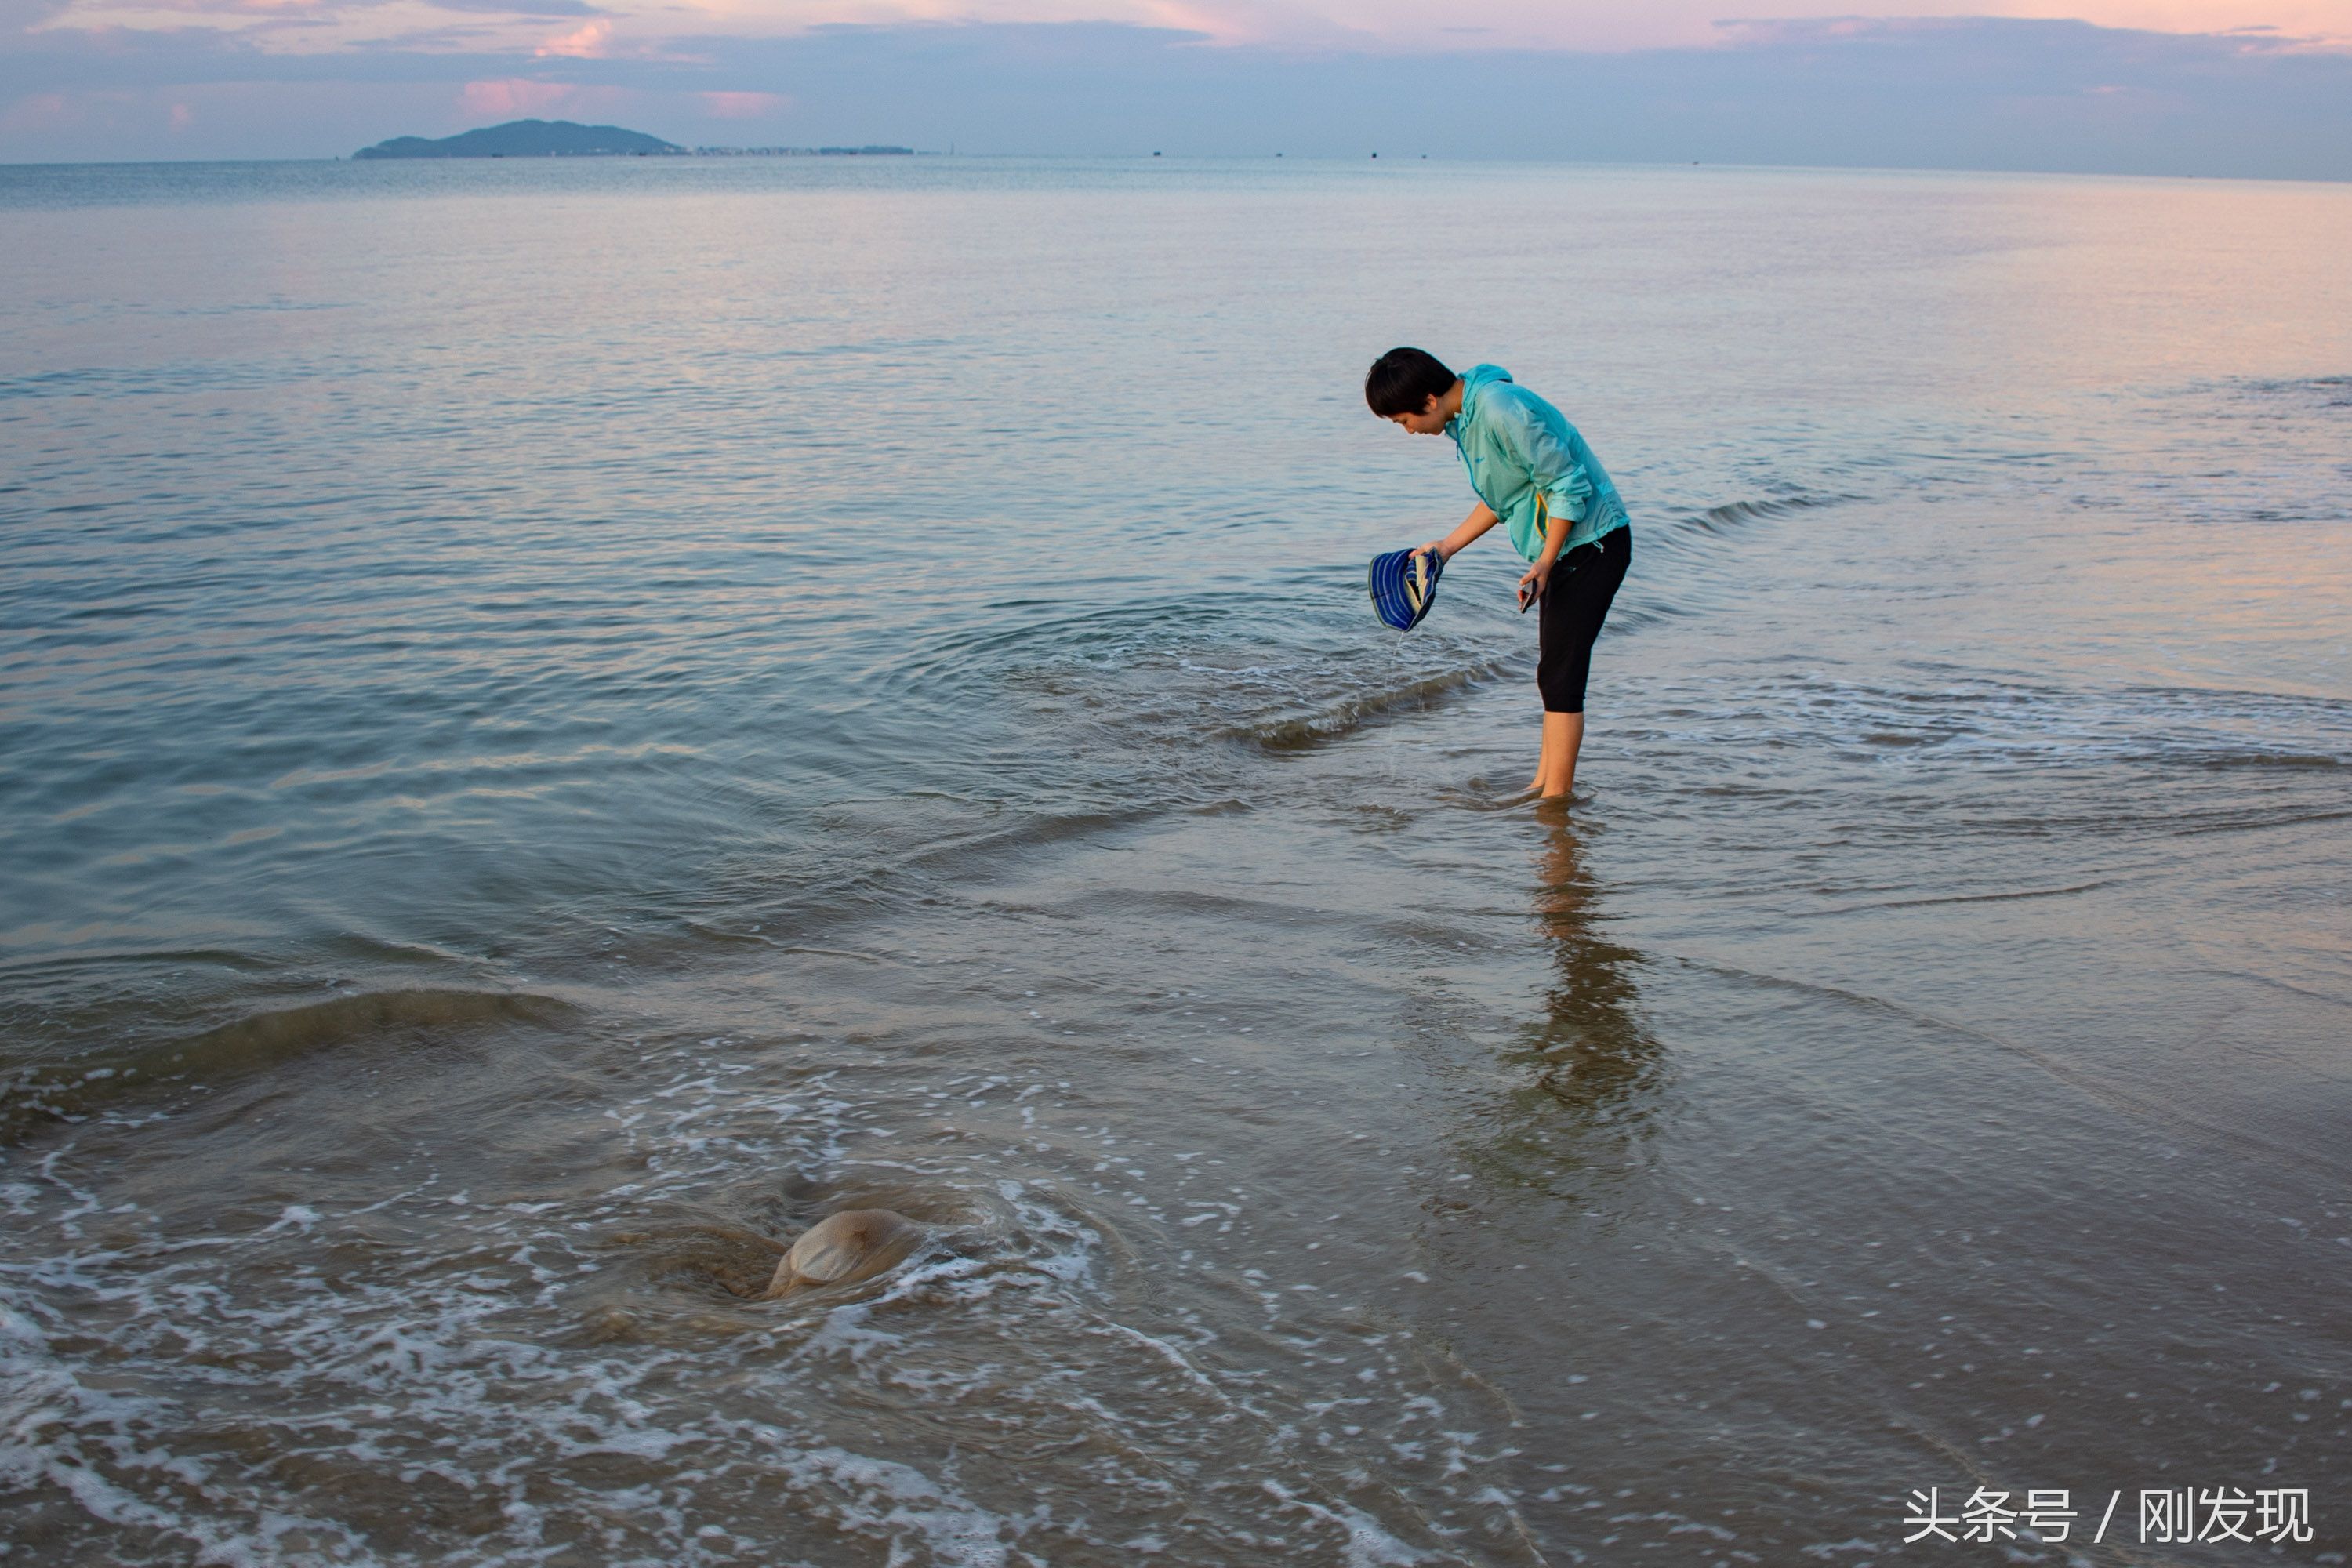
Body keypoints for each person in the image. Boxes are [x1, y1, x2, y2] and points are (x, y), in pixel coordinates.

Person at [1366, 347, 1632, 799]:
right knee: (1553, 673)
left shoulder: (1499, 409)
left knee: (1562, 675)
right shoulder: (1466, 420)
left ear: (1428, 400)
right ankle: (1543, 784)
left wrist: (1545, 561)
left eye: (1403, 421)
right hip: (1566, 548)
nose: (1408, 431)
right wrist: (1446, 548)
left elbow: (1568, 485)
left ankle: (1556, 801)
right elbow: (1506, 495)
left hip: (1594, 543)